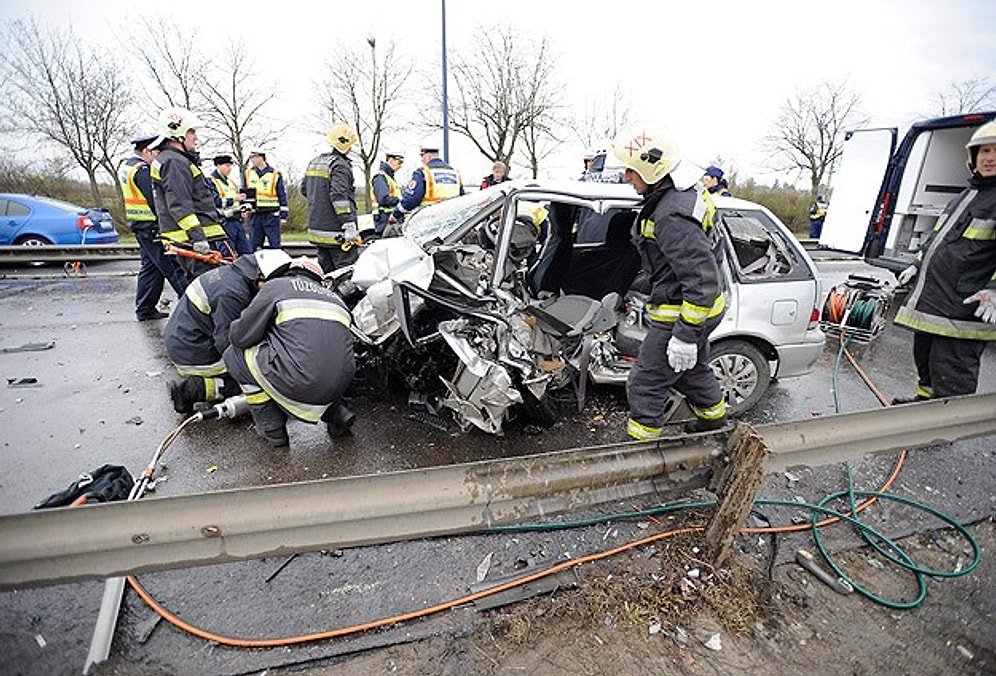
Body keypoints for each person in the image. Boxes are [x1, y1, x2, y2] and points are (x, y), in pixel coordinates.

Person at [611, 120, 728, 439]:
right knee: (692, 372)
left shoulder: (671, 217)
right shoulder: (684, 193)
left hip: (686, 310)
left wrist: (686, 335)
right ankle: (714, 424)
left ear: (652, 171)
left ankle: (638, 455)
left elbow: (701, 282)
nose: (627, 177)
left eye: (631, 171)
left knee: (645, 382)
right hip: (700, 307)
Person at [892, 120, 996, 403]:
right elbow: (937, 240)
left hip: (964, 306)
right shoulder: (968, 195)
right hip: (936, 300)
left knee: (953, 367)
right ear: (973, 157)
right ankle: (925, 404)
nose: (990, 157)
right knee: (926, 358)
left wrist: (994, 291)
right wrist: (916, 263)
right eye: (984, 151)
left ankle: (945, 427)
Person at [223, 256, 357, 447]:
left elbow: (240, 337)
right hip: (340, 385)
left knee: (234, 355)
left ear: (288, 273)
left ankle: (272, 428)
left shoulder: (277, 287)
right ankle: (337, 414)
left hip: (300, 382)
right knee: (320, 359)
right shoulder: (337, 300)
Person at [165, 249, 292, 414]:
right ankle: (192, 390)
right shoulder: (232, 294)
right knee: (264, 381)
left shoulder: (233, 275)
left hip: (187, 341)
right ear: (260, 276)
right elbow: (229, 343)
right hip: (196, 354)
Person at [149, 107, 229, 280]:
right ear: (177, 132)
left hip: (189, 239)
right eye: (192, 131)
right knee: (207, 291)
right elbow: (179, 205)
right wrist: (198, 238)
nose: (196, 137)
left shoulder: (173, 160)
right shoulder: (174, 162)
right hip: (191, 241)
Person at [119, 133, 189, 321]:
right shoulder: (142, 170)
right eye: (156, 152)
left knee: (151, 268)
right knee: (174, 269)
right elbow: (156, 201)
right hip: (152, 226)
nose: (158, 156)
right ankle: (192, 310)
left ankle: (145, 309)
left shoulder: (128, 166)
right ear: (146, 151)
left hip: (141, 226)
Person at [301, 122, 361, 272]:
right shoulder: (340, 165)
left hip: (318, 231)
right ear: (346, 145)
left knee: (325, 273)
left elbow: (304, 189)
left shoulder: (314, 162)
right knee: (345, 274)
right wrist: (348, 224)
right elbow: (339, 197)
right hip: (337, 233)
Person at [391, 142, 464, 222]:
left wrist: (395, 215)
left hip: (430, 221)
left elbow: (411, 199)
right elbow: (462, 198)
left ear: (428, 156)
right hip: (451, 222)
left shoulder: (423, 173)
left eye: (422, 156)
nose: (422, 159)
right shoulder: (455, 173)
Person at [244, 150, 289, 250]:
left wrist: (283, 215)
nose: (251, 160)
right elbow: (245, 194)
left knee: (275, 245)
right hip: (255, 214)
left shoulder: (275, 174)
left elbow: (282, 195)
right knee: (253, 246)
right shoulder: (248, 174)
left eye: (253, 157)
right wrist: (244, 209)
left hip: (271, 214)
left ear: (261, 157)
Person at [208, 154, 251, 256]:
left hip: (237, 221)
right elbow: (215, 202)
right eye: (227, 166)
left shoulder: (231, 182)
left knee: (247, 253)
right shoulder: (211, 181)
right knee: (227, 254)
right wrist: (234, 199)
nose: (229, 169)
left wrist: (242, 210)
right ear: (218, 165)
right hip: (224, 222)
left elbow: (237, 203)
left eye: (230, 166)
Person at [370, 150, 404, 237]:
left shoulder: (389, 177)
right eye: (399, 162)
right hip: (385, 220)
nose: (400, 166)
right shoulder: (381, 177)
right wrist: (401, 200)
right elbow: (383, 199)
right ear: (390, 160)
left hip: (391, 220)